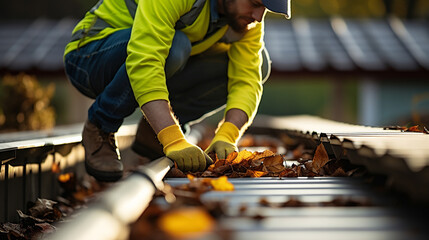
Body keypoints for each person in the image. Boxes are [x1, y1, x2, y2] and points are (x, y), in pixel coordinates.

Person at [64, 0, 291, 182]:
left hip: (157, 60)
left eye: (264, 9)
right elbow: (146, 60)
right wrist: (172, 138)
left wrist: (227, 135)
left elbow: (246, 80)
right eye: (254, 3)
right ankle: (100, 126)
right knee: (176, 46)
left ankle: (153, 132)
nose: (258, 16)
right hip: (89, 58)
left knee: (259, 65)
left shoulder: (246, 21)